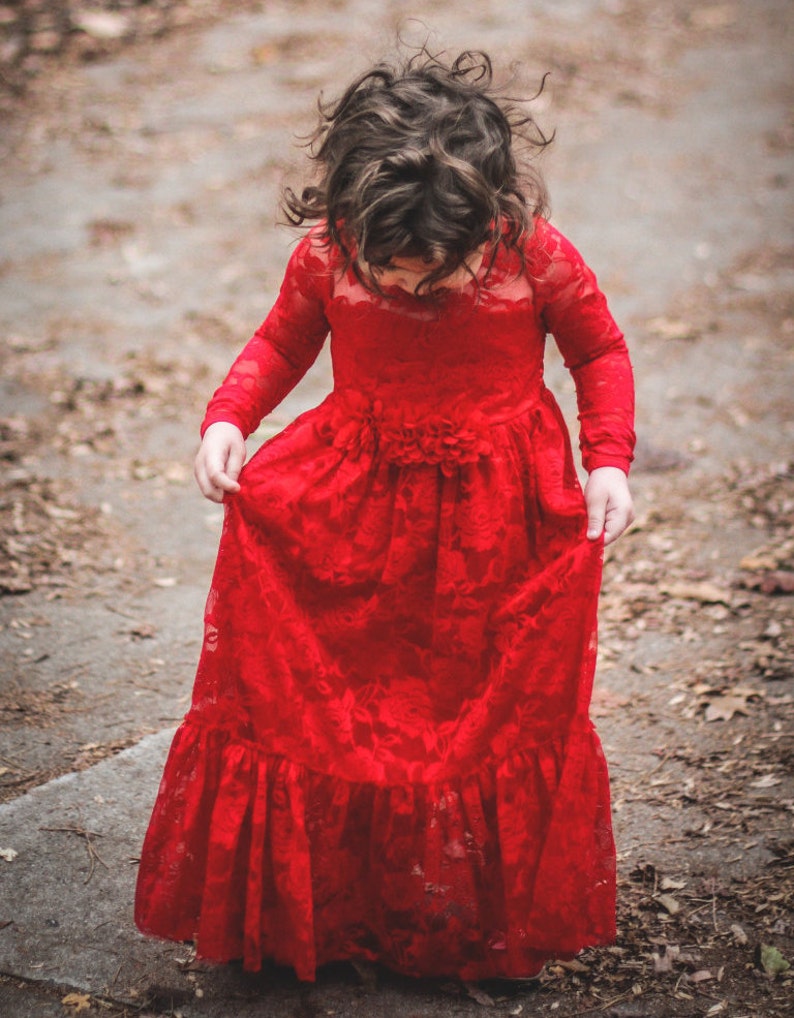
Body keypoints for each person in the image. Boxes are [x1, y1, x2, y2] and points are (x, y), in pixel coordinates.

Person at [134, 48, 635, 984]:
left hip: (498, 522)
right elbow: (282, 339)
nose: (407, 291)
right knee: (350, 712)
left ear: (493, 220)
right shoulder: (326, 254)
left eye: (433, 276)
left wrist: (607, 461)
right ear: (349, 223)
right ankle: (339, 908)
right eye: (390, 272)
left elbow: (599, 352)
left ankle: (468, 924)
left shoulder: (539, 260)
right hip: (354, 512)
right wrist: (228, 418)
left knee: (467, 713)